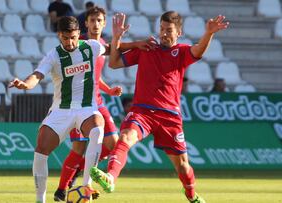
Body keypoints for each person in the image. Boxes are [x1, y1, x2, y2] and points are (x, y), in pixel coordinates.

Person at [90, 11, 229, 203]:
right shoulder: (147, 48)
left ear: (178, 32)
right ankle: (111, 178)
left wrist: (209, 33)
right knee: (125, 137)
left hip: (169, 117)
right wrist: (116, 37)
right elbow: (113, 63)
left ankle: (191, 195)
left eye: (169, 30)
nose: (164, 33)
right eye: (162, 29)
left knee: (183, 166)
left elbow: (198, 51)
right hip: (142, 111)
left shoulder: (181, 51)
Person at [53, 6, 157, 201]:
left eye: (99, 20)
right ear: (85, 23)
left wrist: (108, 90)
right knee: (78, 148)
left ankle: (84, 172)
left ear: (104, 23)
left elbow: (95, 75)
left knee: (112, 144)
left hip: (97, 102)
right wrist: (137, 43)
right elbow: (112, 51)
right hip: (79, 104)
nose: (95, 24)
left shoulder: (100, 44)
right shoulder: (80, 44)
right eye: (92, 20)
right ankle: (61, 189)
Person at [10, 16, 106, 203]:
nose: (70, 42)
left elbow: (112, 50)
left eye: (73, 37)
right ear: (58, 35)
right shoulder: (53, 55)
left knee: (97, 129)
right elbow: (37, 75)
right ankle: (40, 199)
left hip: (87, 108)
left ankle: (86, 186)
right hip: (62, 110)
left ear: (79, 34)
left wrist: (134, 42)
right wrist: (25, 85)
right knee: (41, 150)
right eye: (65, 38)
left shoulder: (91, 46)